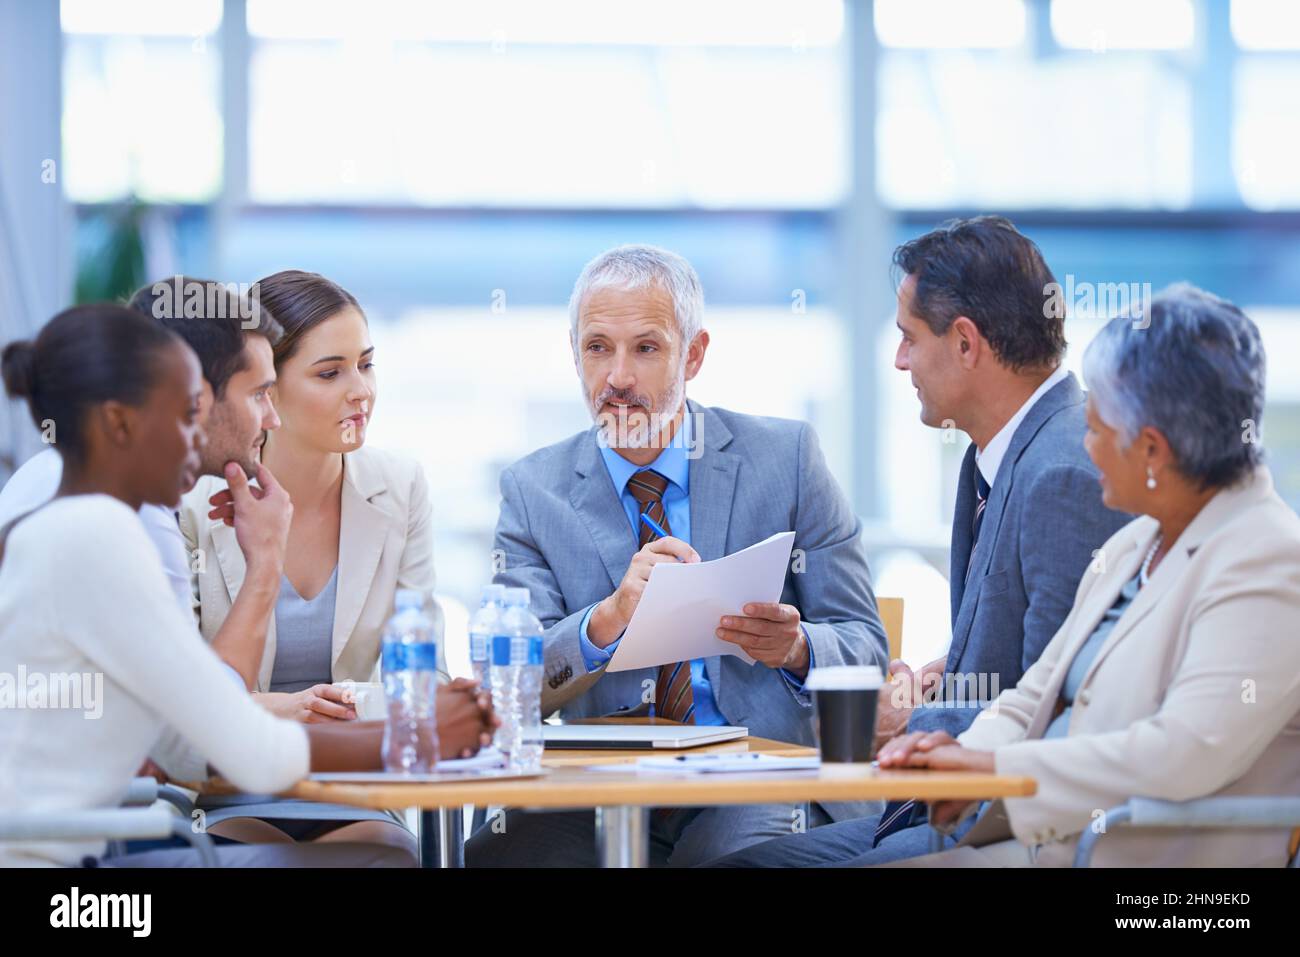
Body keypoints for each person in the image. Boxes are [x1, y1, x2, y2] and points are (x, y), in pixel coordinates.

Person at [0, 305, 494, 867]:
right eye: (187, 414)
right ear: (119, 425)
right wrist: (414, 738)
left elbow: (184, 744)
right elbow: (241, 752)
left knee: (376, 857)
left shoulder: (73, 517)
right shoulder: (101, 531)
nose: (198, 435)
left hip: (84, 856)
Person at [707, 215, 1129, 867]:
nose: (899, 359)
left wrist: (911, 725)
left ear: (965, 343)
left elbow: (1056, 706)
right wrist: (946, 676)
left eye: (908, 337)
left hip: (998, 829)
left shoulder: (1061, 475)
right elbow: (1018, 657)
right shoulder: (999, 456)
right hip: (938, 809)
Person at [837, 285, 1296, 868]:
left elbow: (1184, 751)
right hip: (1046, 844)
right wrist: (953, 754)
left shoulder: (1269, 560)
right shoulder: (1137, 544)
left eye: (1098, 429)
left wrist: (994, 771)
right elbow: (1032, 697)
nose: (1085, 444)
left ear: (1152, 450)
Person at [465, 244, 888, 867]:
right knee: (503, 855)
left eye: (646, 347)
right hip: (594, 789)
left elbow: (866, 646)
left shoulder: (787, 459)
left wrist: (796, 650)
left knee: (733, 858)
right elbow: (512, 690)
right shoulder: (533, 490)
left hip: (756, 779)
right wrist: (605, 620)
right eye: (597, 347)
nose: (617, 378)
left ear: (693, 353)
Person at [179, 270, 440, 853]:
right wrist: (284, 711)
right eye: (330, 372)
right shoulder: (194, 505)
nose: (361, 391)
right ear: (265, 388)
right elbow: (178, 702)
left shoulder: (400, 488)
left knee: (385, 855)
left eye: (366, 365)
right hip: (233, 791)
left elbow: (429, 678)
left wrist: (356, 708)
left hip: (355, 789)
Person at [0, 276, 291, 690]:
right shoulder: (130, 510)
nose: (272, 420)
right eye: (259, 394)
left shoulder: (53, 472)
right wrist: (266, 562)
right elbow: (196, 732)